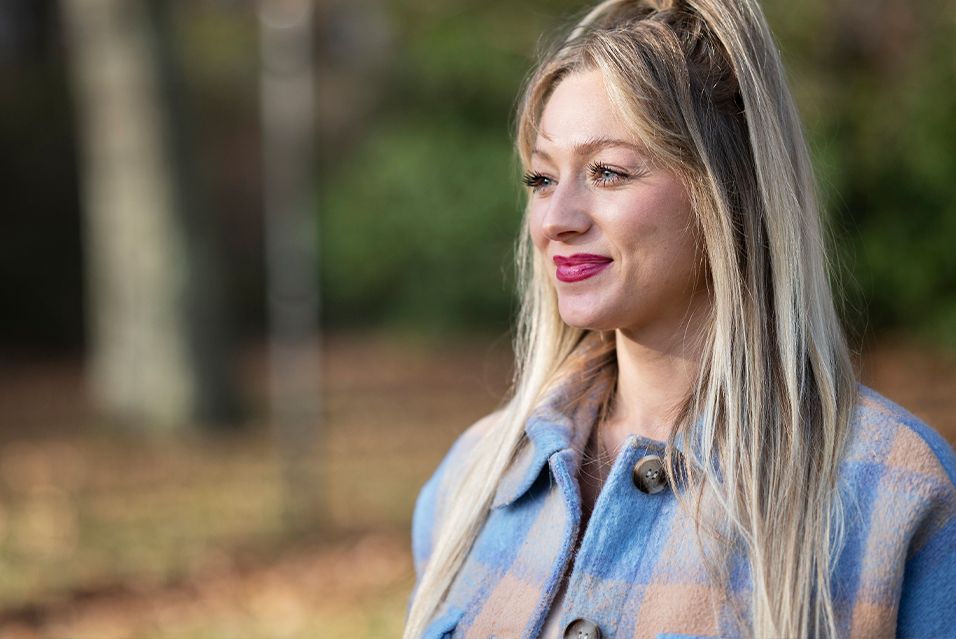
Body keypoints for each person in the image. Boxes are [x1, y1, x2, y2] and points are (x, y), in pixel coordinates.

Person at [404, 0, 956, 637]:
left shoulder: (892, 493)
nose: (557, 219)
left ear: (728, 190)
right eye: (541, 178)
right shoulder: (470, 483)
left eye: (607, 172)